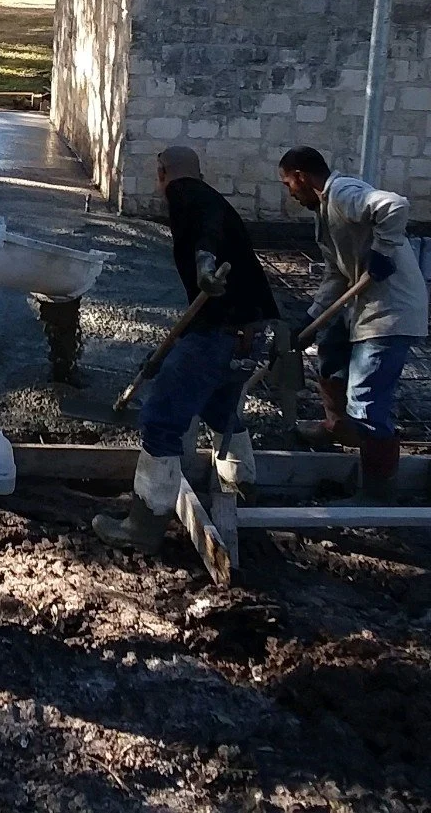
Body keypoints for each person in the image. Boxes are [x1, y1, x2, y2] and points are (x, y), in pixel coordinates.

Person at [93, 146, 279, 554]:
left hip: (222, 329)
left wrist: (205, 266)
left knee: (161, 419)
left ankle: (143, 525)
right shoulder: (214, 199)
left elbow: (206, 235)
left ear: (163, 173)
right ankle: (242, 488)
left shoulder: (185, 195)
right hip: (248, 330)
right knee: (219, 410)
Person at [277, 146, 429, 503]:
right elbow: (337, 274)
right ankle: (339, 428)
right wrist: (311, 319)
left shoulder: (342, 193)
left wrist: (384, 251)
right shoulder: (326, 214)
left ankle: (377, 495)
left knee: (367, 402)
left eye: (288, 184)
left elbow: (394, 205)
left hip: (390, 312)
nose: (290, 194)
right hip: (363, 307)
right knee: (329, 351)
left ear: (300, 176)